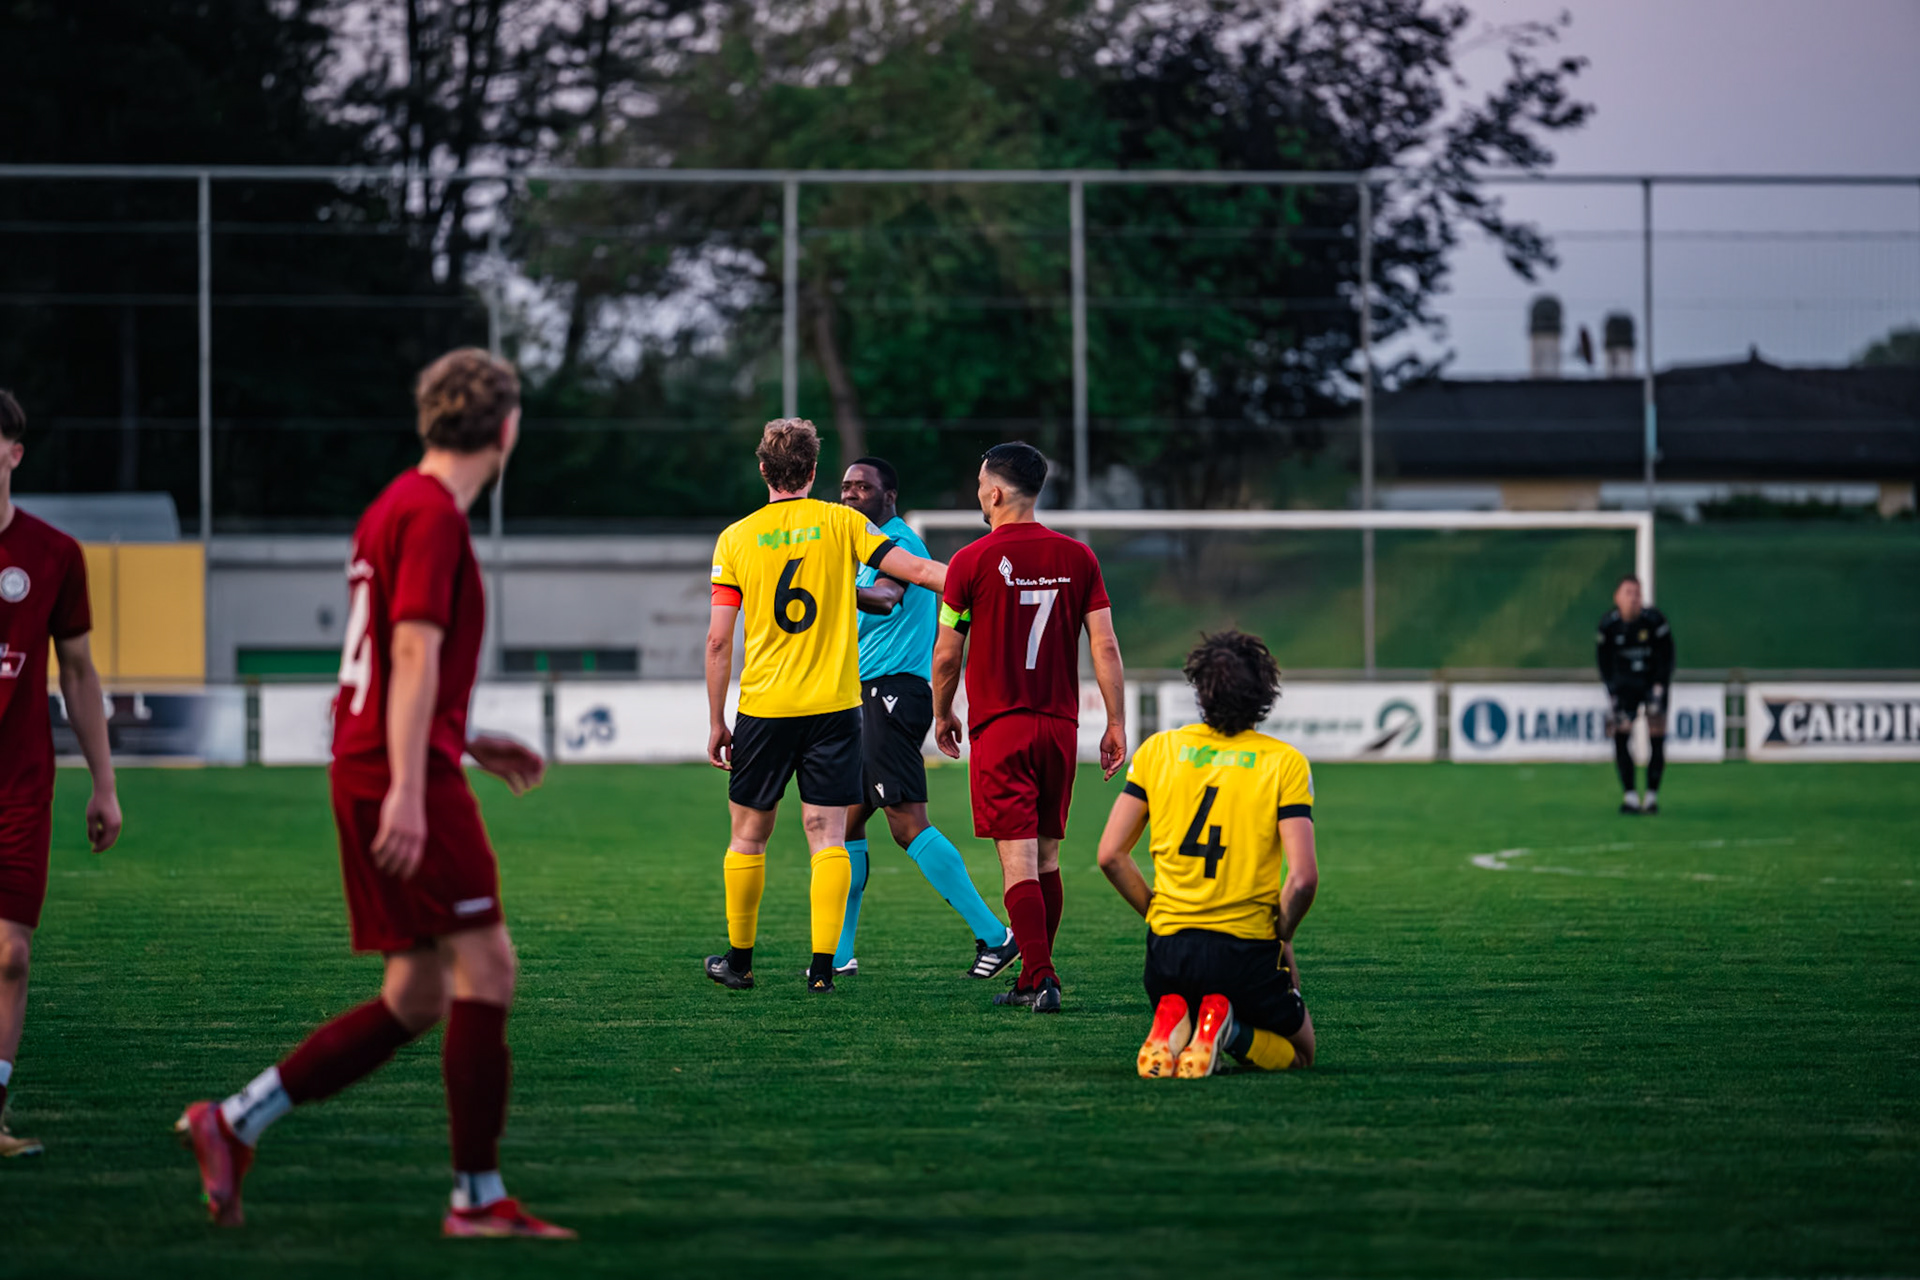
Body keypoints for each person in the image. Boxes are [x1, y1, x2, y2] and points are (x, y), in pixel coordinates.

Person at [177, 349, 572, 1238]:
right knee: (490, 966)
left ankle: (234, 1121)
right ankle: (476, 1200)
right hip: (398, 775)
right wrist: (411, 784)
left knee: (418, 994)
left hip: (375, 760)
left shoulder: (395, 504)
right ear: (507, 429)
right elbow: (407, 654)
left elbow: (388, 660)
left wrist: (465, 736)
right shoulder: (431, 517)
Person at [704, 421, 948, 994]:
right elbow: (920, 574)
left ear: (764, 470)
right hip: (836, 708)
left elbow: (718, 641)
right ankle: (822, 969)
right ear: (813, 472)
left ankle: (739, 961)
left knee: (748, 835)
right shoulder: (845, 523)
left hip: (765, 706)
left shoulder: (736, 538)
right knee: (828, 835)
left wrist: (717, 719)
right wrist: (986, 584)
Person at [931, 442, 1128, 1014]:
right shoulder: (1079, 557)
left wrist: (943, 713)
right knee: (1047, 858)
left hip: (1002, 727)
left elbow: (947, 656)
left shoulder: (970, 562)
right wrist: (1115, 722)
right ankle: (1033, 978)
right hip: (1059, 728)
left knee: (1017, 861)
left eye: (978, 485)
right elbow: (1106, 644)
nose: (977, 495)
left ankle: (1040, 978)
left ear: (994, 493)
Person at [1096, 630, 1317, 1079]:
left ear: (1199, 690)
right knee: (1302, 1054)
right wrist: (1282, 934)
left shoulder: (1159, 750)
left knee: (1183, 997)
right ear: (1265, 693)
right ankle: (1228, 1031)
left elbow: (1110, 855)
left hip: (1168, 955)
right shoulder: (1284, 762)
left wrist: (1158, 912)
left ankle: (1178, 1019)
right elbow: (1303, 880)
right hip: (1246, 950)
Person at [833, 457, 1016, 981]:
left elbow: (889, 599)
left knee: (907, 823)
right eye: (845, 487)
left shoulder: (900, 543)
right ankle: (840, 953)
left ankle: (995, 935)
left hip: (892, 693)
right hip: (868, 695)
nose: (850, 495)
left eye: (862, 487)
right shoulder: (866, 546)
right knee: (845, 822)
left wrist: (831, 591)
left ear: (888, 496)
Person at [0, 389, 122, 1159]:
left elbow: (77, 672)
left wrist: (103, 783)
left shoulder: (53, 555)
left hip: (19, 782)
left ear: (12, 452)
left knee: (10, 952)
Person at [1596, 574, 1674, 814]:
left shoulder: (1655, 621)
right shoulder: (1609, 625)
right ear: (1617, 597)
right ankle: (1629, 796)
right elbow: (1603, 661)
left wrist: (1660, 685)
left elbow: (1668, 655)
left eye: (1637, 593)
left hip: (1652, 685)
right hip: (1624, 687)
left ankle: (1651, 796)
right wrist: (1611, 690)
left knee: (1656, 736)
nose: (1633, 598)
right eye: (1628, 593)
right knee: (1620, 736)